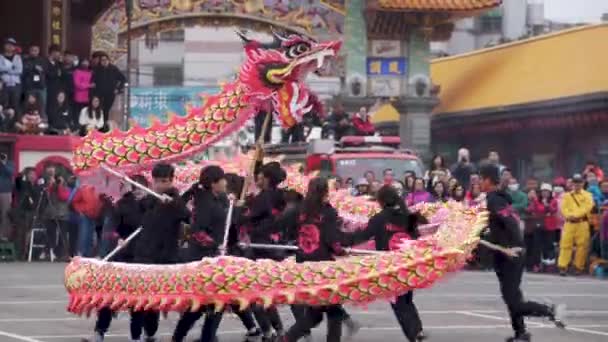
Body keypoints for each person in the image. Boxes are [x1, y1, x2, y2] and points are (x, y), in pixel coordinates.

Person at [479, 163, 565, 342]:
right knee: (512, 297)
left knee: (513, 301)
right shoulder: (496, 198)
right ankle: (521, 334)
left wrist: (514, 246)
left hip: (511, 254)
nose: (479, 182)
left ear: (488, 180)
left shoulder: (495, 199)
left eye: (481, 179)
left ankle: (550, 310)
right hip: (503, 254)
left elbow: (510, 222)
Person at [343, 185, 426, 342]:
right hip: (409, 263)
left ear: (381, 201)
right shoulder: (407, 216)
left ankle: (413, 335)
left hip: (391, 266)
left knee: (399, 303)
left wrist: (342, 239)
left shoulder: (380, 218)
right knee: (406, 299)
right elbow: (416, 237)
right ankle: (417, 330)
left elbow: (363, 235)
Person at [280, 177, 348, 342]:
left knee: (318, 312)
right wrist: (342, 251)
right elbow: (332, 239)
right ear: (325, 191)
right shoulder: (328, 212)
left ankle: (287, 338)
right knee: (331, 309)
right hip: (323, 265)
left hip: (304, 264)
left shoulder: (298, 210)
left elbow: (284, 228)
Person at [173, 165, 232, 342]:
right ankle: (198, 337)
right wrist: (215, 245)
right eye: (223, 179)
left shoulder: (216, 198)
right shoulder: (205, 202)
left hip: (213, 256)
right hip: (203, 258)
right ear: (214, 183)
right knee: (205, 304)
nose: (225, 182)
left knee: (212, 303)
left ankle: (203, 337)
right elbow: (198, 232)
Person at [87, 175, 148, 342]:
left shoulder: (152, 207)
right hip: (121, 257)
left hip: (141, 258)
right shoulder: (122, 205)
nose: (138, 191)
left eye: (141, 188)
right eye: (134, 187)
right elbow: (111, 229)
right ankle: (99, 332)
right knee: (110, 297)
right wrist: (117, 238)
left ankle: (136, 336)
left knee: (137, 301)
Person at [558, 173, 593, 276]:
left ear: (583, 183)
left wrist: (576, 215)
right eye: (575, 182)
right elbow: (563, 208)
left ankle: (578, 267)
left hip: (582, 222)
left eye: (579, 182)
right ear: (572, 183)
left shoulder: (588, 195)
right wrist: (569, 215)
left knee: (582, 246)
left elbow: (587, 207)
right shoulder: (567, 195)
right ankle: (563, 267)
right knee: (565, 245)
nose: (577, 184)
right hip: (569, 223)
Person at [92, 53, 125, 126]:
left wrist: (118, 89)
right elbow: (93, 80)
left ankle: (104, 124)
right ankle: (98, 124)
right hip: (99, 93)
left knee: (106, 109)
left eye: (105, 60)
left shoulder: (113, 69)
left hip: (110, 93)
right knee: (98, 108)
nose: (104, 62)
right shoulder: (97, 69)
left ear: (108, 60)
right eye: (102, 60)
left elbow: (123, 79)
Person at [22, 45, 47, 120]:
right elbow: (23, 72)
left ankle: (42, 125)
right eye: (32, 50)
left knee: (42, 108)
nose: (34, 52)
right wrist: (33, 68)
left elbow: (46, 71)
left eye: (36, 50)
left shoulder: (42, 61)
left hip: (41, 87)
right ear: (29, 51)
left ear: (38, 51)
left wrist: (40, 70)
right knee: (28, 107)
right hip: (30, 88)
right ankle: (27, 125)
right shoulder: (25, 60)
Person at [0, 38, 23, 114]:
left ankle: (15, 123)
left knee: (16, 104)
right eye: (8, 44)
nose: (10, 46)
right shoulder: (1, 57)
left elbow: (19, 70)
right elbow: (0, 68)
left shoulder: (17, 57)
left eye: (12, 45)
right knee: (4, 104)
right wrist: (12, 68)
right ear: (4, 46)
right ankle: (5, 123)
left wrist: (6, 70)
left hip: (16, 84)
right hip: (4, 84)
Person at [524, 189, 544, 272]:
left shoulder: (538, 202)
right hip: (527, 228)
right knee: (527, 247)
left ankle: (535, 265)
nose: (532, 195)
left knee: (536, 247)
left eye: (534, 193)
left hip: (537, 228)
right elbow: (524, 211)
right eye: (530, 193)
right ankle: (527, 265)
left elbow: (540, 213)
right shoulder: (525, 201)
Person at [539, 183, 558, 269]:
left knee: (550, 244)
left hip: (551, 225)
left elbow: (554, 210)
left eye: (546, 191)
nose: (545, 193)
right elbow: (538, 210)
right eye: (543, 191)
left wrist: (547, 205)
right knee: (542, 245)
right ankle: (544, 262)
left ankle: (551, 263)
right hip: (541, 225)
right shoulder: (538, 200)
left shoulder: (554, 200)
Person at [45, 45, 63, 123]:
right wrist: (56, 74)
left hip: (56, 88)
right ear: (52, 53)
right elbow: (48, 74)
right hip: (47, 87)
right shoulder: (45, 62)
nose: (59, 55)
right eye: (58, 53)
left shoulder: (58, 64)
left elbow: (61, 74)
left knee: (55, 107)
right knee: (47, 107)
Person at [0, 153, 14, 240]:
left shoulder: (10, 163)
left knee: (5, 213)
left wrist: (4, 163)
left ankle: (4, 235)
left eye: (3, 156)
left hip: (5, 192)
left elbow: (11, 173)